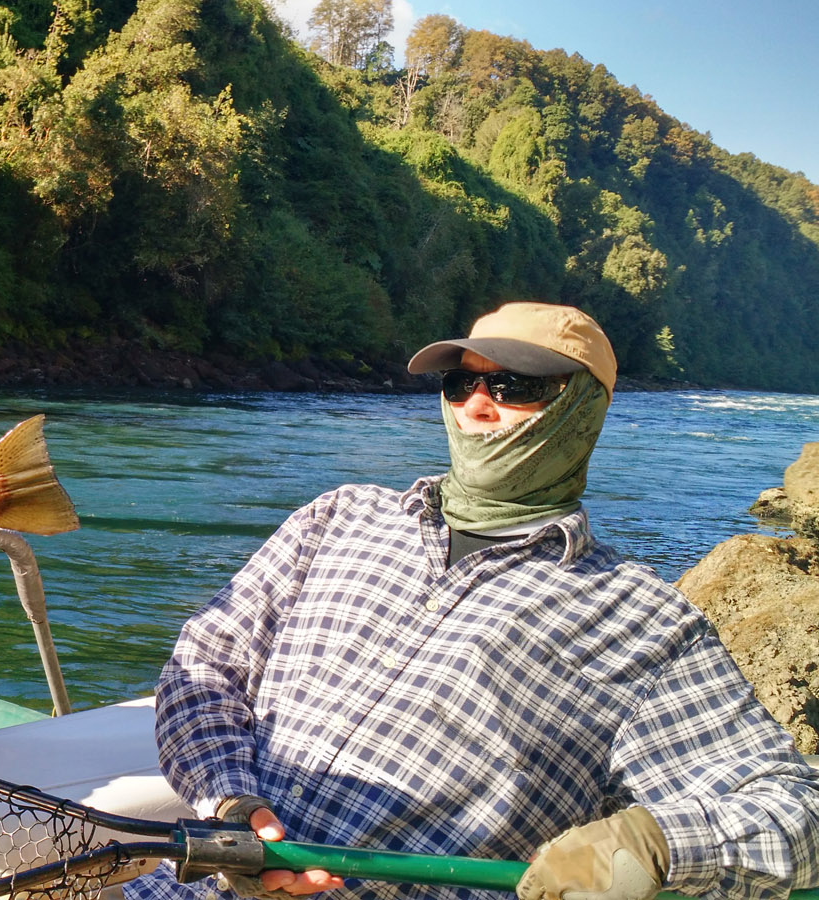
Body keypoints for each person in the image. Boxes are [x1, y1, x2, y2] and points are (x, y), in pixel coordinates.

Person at [126, 302, 819, 900]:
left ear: (585, 408)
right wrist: (231, 803)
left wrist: (651, 844)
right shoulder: (337, 517)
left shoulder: (644, 622)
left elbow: (795, 813)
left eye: (516, 385)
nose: (477, 405)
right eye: (462, 382)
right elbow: (206, 668)